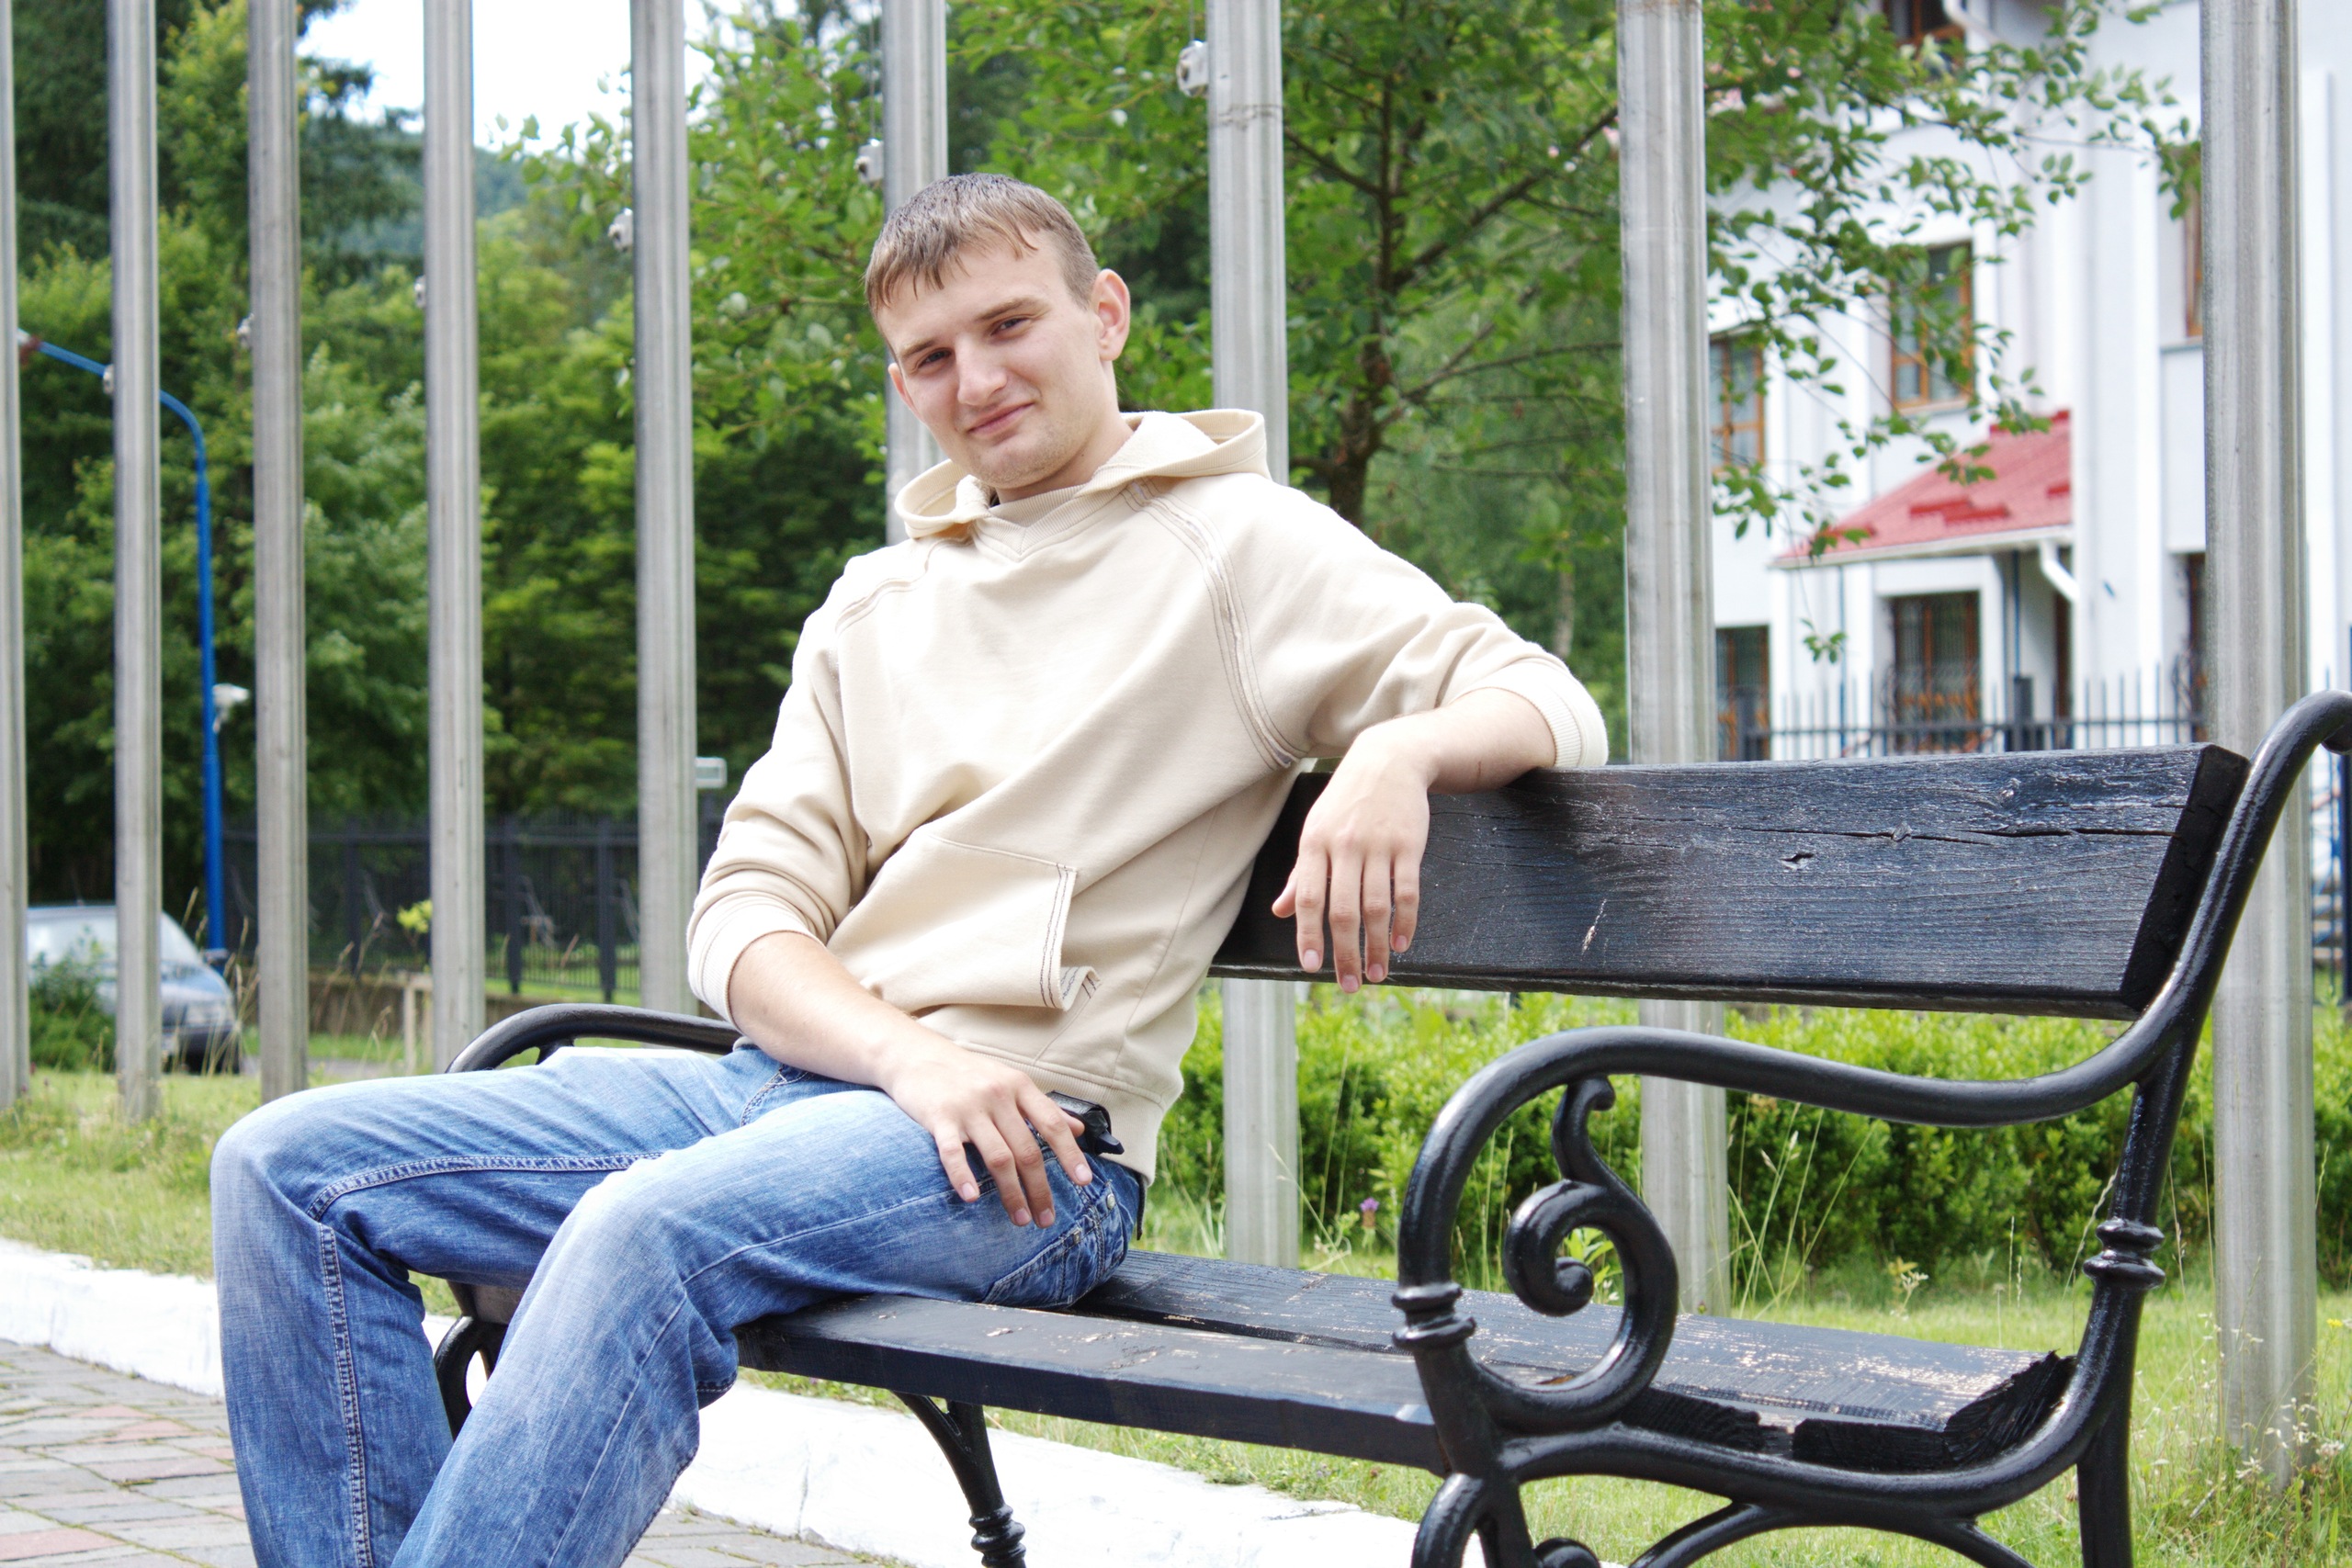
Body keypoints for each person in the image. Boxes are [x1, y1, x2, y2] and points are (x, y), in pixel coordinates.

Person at [210, 173, 1609, 1568]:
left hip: (1030, 1151)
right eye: (931, 356)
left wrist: (1396, 753)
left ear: (1105, 313)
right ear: (903, 381)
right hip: (788, 1095)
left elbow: (1545, 697)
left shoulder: (1245, 548)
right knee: (284, 1168)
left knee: (642, 1234)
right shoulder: (872, 606)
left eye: (1009, 325)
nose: (976, 380)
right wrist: (905, 1055)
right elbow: (745, 914)